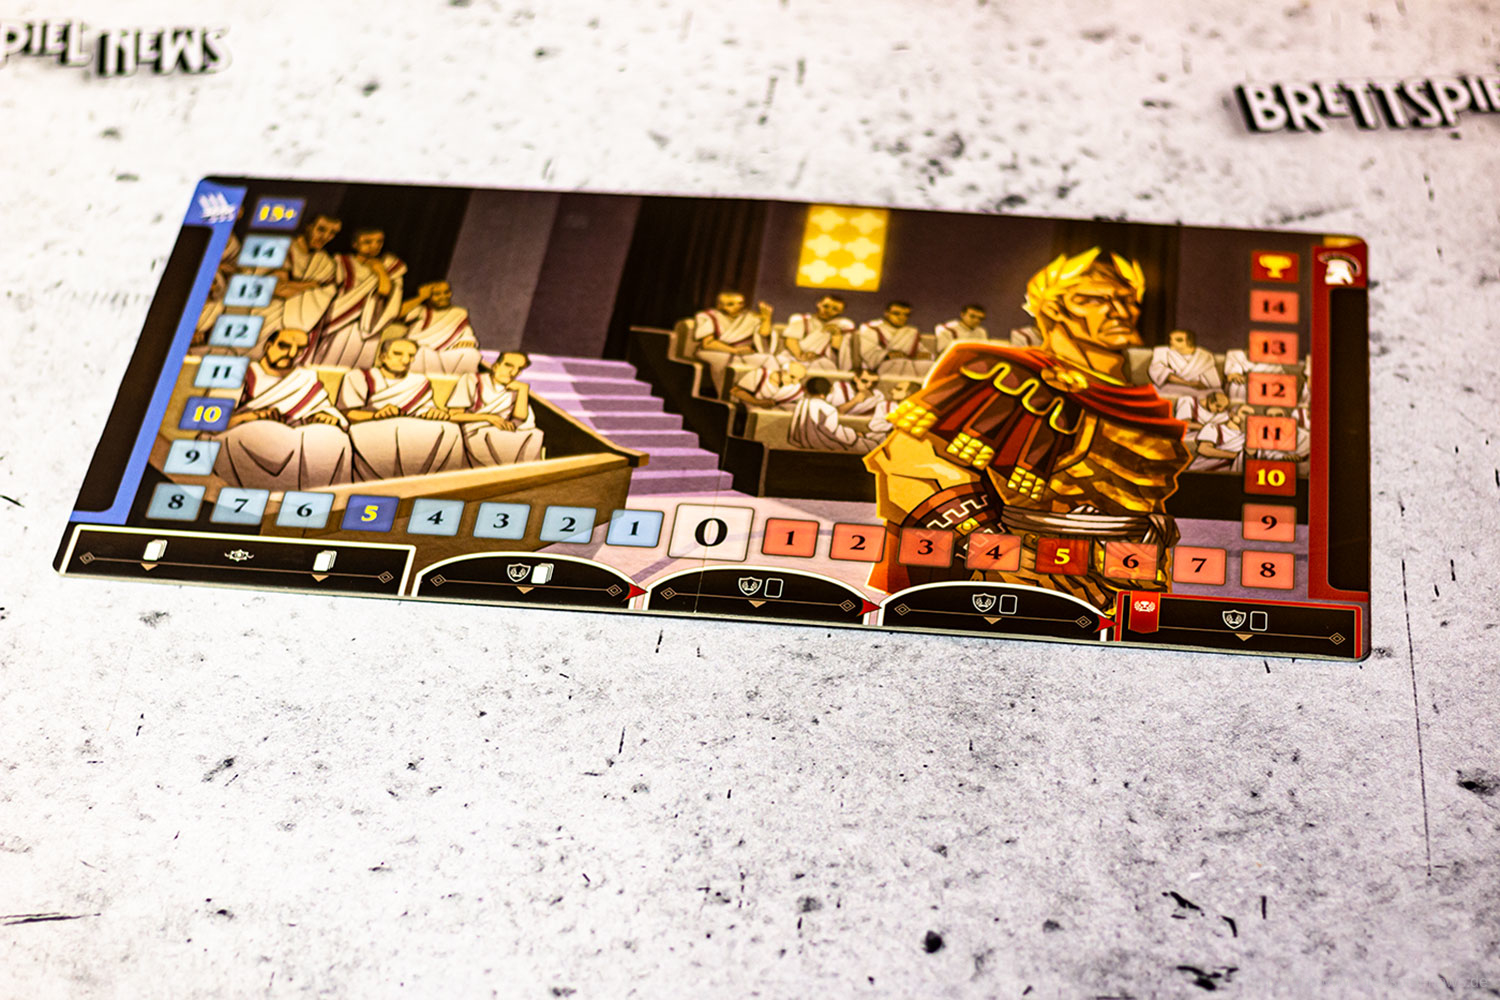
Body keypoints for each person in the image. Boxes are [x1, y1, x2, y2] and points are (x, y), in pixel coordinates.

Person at [863, 247, 1191, 611]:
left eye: (1126, 300)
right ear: (1053, 308)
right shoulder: (1006, 375)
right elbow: (909, 463)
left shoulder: (1140, 404)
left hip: (1132, 570)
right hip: (1029, 575)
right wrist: (991, 544)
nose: (1119, 312)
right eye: (1093, 300)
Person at [212, 328, 352, 490]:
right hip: (248, 436)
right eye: (284, 346)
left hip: (295, 438)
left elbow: (324, 409)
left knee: (335, 437)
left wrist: (324, 415)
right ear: (268, 346)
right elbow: (212, 420)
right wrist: (251, 417)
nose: (292, 354)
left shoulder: (305, 378)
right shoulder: (241, 373)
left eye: (299, 349)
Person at [337, 337, 463, 480]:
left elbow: (423, 410)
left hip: (409, 427)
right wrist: (376, 415)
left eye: (411, 355)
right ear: (383, 357)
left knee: (450, 429)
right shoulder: (358, 377)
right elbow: (347, 413)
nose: (405, 360)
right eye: (398, 354)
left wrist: (433, 413)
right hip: (370, 426)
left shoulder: (419, 381)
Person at [308, 227, 407, 369]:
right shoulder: (341, 262)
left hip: (370, 324)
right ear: (355, 244)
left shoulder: (389, 266)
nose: (374, 246)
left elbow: (385, 291)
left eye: (379, 242)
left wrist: (380, 270)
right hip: (338, 321)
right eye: (367, 242)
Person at [445, 351, 545, 465]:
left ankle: (525, 472)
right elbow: (454, 415)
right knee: (490, 437)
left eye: (519, 369)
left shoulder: (515, 388)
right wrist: (489, 418)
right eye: (508, 365)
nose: (513, 372)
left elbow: (520, 418)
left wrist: (523, 390)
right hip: (476, 428)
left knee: (536, 434)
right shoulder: (472, 380)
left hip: (502, 428)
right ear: (496, 366)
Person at [259, 213, 343, 339]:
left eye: (332, 233)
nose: (325, 237)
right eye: (321, 229)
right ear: (308, 226)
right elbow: (279, 289)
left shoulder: (326, 263)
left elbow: (326, 296)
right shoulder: (283, 248)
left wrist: (297, 287)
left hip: (298, 326)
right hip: (266, 318)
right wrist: (313, 285)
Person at [690, 290, 773, 391]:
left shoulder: (749, 317)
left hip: (740, 353)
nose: (738, 307)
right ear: (720, 306)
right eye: (730, 304)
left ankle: (766, 394)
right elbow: (707, 344)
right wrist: (735, 350)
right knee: (723, 359)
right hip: (713, 352)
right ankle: (725, 393)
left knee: (768, 359)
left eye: (740, 303)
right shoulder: (708, 316)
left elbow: (764, 334)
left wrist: (767, 319)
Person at [400, 280, 482, 375]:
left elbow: (466, 331)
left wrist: (467, 339)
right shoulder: (420, 310)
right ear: (428, 295)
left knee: (471, 354)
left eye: (446, 292)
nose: (443, 297)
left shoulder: (459, 312)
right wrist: (420, 297)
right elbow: (397, 314)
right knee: (422, 353)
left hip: (446, 354)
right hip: (421, 351)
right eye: (437, 294)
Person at [788, 377, 879, 453]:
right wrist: (854, 434)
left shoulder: (801, 404)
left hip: (802, 441)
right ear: (830, 390)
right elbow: (834, 432)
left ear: (807, 390)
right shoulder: (829, 409)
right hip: (823, 443)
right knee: (872, 445)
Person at [778, 295, 854, 370]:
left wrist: (836, 334)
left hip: (818, 360)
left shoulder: (840, 325)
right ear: (818, 304)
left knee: (828, 366)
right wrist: (801, 355)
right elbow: (791, 340)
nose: (828, 311)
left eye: (835, 309)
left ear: (840, 312)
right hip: (795, 356)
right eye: (826, 306)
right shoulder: (803, 319)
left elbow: (836, 349)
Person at [855, 300, 930, 376]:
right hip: (883, 364)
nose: (902, 317)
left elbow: (920, 349)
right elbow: (869, 353)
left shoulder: (911, 331)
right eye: (896, 314)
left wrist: (924, 354)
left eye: (906, 315)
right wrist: (888, 355)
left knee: (927, 364)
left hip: (907, 363)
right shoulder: (872, 328)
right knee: (898, 362)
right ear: (886, 313)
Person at [1148, 328, 1222, 398]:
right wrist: (1190, 384)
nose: (1171, 342)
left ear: (1189, 342)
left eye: (1178, 340)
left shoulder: (1204, 356)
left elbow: (1214, 383)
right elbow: (1161, 373)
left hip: (1198, 391)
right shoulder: (1162, 352)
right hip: (1172, 388)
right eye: (1171, 339)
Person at [1191, 403, 1253, 472]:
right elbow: (1203, 449)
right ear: (1232, 414)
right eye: (1245, 413)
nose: (1248, 416)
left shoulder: (1245, 437)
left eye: (1251, 415)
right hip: (1205, 471)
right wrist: (1234, 455)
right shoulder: (1214, 427)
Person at [829, 367, 893, 429]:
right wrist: (854, 401)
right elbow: (835, 413)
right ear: (856, 379)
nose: (869, 385)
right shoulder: (841, 387)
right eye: (864, 381)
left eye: (873, 383)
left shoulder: (878, 395)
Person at [729, 359, 806, 410]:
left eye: (799, 379)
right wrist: (756, 402)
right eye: (792, 377)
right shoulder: (759, 374)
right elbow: (735, 391)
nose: (795, 382)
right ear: (783, 371)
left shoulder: (796, 389)